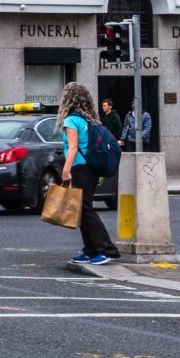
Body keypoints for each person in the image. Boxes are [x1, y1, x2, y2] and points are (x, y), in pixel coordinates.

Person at [56, 81, 119, 267]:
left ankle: (105, 250)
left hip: (79, 168)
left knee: (85, 210)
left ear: (67, 99)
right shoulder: (89, 119)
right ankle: (90, 250)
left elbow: (73, 147)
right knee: (82, 209)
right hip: (90, 168)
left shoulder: (71, 120)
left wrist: (66, 170)